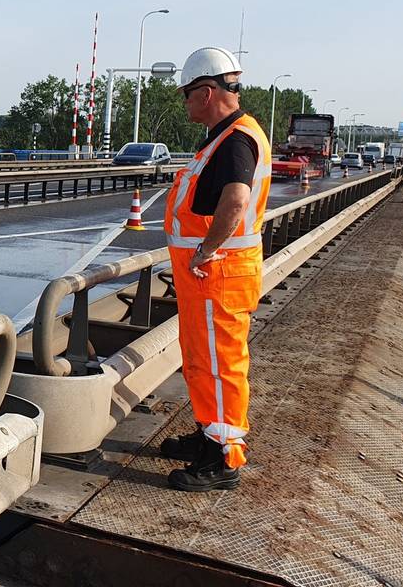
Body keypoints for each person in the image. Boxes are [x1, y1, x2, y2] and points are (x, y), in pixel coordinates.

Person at [160, 47, 271, 492]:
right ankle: (208, 434)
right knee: (203, 362)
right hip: (211, 277)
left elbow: (236, 200)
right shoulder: (225, 136)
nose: (184, 102)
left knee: (220, 364)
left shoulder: (236, 140)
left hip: (217, 274)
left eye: (188, 94)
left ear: (206, 93)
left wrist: (206, 249)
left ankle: (223, 456)